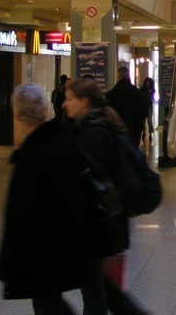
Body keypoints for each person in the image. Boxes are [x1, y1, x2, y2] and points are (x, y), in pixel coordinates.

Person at [0, 83, 96, 315]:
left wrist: (8, 264)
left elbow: (20, 214)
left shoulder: (31, 154)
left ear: (18, 114)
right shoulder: (66, 141)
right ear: (44, 110)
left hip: (41, 251)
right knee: (51, 303)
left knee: (48, 305)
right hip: (67, 242)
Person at [64, 78, 149, 315]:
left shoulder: (94, 133)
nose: (64, 104)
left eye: (69, 98)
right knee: (98, 286)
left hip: (97, 224)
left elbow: (91, 181)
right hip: (105, 221)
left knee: (95, 289)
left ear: (84, 101)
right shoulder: (101, 125)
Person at [105, 67, 149, 146]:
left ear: (119, 77)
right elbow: (145, 112)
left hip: (118, 130)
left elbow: (107, 113)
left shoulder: (112, 94)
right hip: (135, 128)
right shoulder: (138, 93)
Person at [139, 77, 156, 144]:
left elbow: (151, 97)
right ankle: (144, 131)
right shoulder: (142, 90)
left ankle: (150, 133)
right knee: (143, 120)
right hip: (144, 106)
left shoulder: (152, 90)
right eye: (147, 83)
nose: (148, 84)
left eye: (149, 83)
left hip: (149, 106)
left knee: (149, 120)